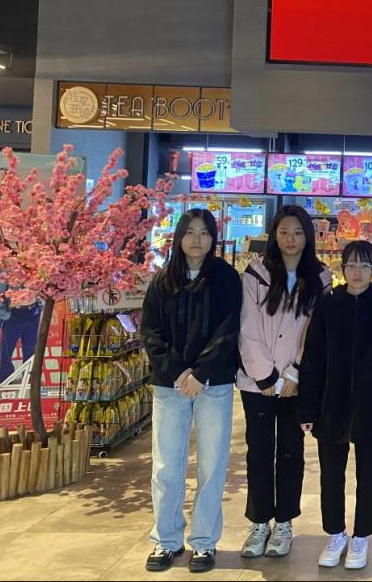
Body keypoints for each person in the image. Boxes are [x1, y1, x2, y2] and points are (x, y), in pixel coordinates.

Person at [298, 240, 372, 570]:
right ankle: (335, 534)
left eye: (364, 265)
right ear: (342, 268)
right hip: (331, 405)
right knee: (331, 475)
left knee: (369, 474)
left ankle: (361, 536)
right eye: (351, 265)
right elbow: (313, 359)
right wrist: (307, 407)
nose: (357, 272)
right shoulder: (328, 306)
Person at [139, 209, 242, 574]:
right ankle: (166, 540)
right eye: (190, 232)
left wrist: (201, 373)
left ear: (213, 238)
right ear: (179, 237)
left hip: (213, 384)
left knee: (212, 464)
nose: (197, 240)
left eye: (204, 233)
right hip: (170, 385)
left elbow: (229, 329)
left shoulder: (226, 278)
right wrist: (179, 371)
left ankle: (204, 542)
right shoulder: (162, 280)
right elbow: (150, 332)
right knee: (167, 465)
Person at [237, 206, 331, 559]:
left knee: (292, 452)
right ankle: (259, 521)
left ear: (308, 237)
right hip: (257, 382)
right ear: (274, 235)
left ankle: (285, 522)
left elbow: (316, 331)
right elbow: (246, 327)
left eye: (298, 232)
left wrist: (294, 372)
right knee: (259, 452)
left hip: (296, 383)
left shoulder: (320, 278)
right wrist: (264, 375)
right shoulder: (256, 273)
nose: (291, 239)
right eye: (284, 231)